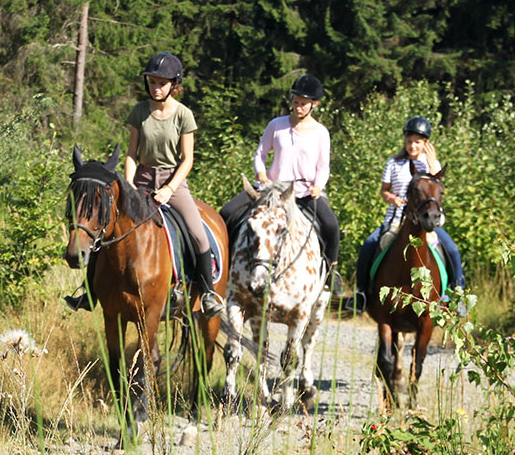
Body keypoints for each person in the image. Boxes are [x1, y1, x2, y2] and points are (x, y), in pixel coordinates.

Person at [65, 52, 225, 318]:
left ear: (174, 84)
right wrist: (129, 185)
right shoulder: (139, 111)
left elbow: (188, 160)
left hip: (172, 183)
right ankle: (90, 292)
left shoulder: (184, 115)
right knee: (105, 230)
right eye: (152, 82)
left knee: (197, 233)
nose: (156, 87)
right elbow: (131, 153)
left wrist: (170, 189)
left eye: (162, 83)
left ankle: (207, 293)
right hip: (140, 181)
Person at [219, 73, 344, 295]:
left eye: (303, 103)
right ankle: (223, 264)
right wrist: (260, 173)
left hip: (303, 194)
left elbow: (323, 167)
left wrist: (319, 185)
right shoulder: (276, 125)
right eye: (295, 102)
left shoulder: (321, 133)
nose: (298, 107)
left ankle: (331, 273)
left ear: (314, 104)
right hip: (270, 191)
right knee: (227, 212)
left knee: (331, 225)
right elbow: (260, 153)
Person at [342, 116, 466, 314]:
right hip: (396, 219)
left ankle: (457, 294)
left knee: (452, 250)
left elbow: (437, 186)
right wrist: (391, 198)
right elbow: (384, 190)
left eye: (417, 142)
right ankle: (362, 293)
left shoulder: (431, 164)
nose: (412, 146)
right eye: (409, 141)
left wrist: (433, 162)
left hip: (426, 222)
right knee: (369, 244)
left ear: (425, 143)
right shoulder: (394, 163)